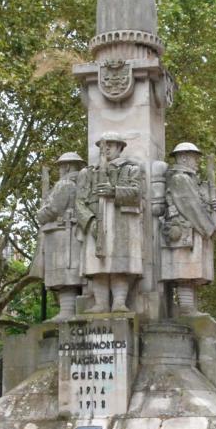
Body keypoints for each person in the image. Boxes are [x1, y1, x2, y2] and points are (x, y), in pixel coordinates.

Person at [76, 132, 144, 312]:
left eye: (111, 145)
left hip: (121, 224)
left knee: (119, 264)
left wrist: (114, 191)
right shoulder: (88, 173)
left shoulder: (132, 169)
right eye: (103, 146)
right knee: (96, 266)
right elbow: (79, 201)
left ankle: (119, 302)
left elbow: (137, 194)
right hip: (94, 221)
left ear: (120, 148)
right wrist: (90, 222)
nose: (106, 149)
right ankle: (100, 303)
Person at [160, 142, 216, 315]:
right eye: (195, 158)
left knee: (191, 272)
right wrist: (209, 227)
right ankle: (187, 310)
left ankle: (189, 308)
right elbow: (190, 205)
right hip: (185, 228)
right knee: (185, 271)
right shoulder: (180, 178)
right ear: (184, 157)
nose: (197, 162)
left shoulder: (191, 178)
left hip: (192, 229)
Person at [29, 152, 85, 321]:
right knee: (67, 272)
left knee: (65, 273)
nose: (59, 170)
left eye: (61, 166)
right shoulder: (79, 183)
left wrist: (40, 214)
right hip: (68, 232)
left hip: (63, 234)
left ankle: (67, 311)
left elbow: (54, 208)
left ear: (67, 166)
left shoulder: (65, 184)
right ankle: (69, 310)